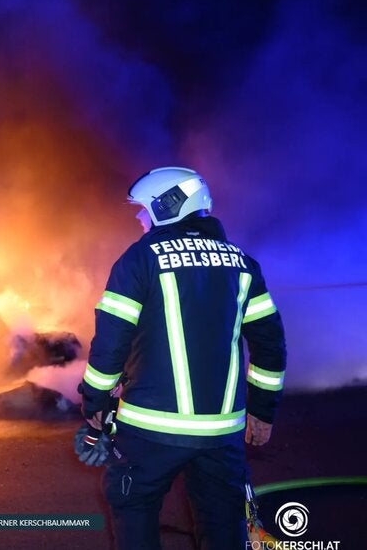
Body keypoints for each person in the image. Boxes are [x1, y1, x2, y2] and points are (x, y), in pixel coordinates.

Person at [75, 166, 287, 549]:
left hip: (151, 430)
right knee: (223, 522)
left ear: (168, 204)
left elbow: (110, 343)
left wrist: (95, 402)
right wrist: (262, 411)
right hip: (222, 434)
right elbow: (270, 344)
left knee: (134, 505)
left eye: (144, 209)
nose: (141, 217)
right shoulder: (242, 263)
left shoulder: (140, 259)